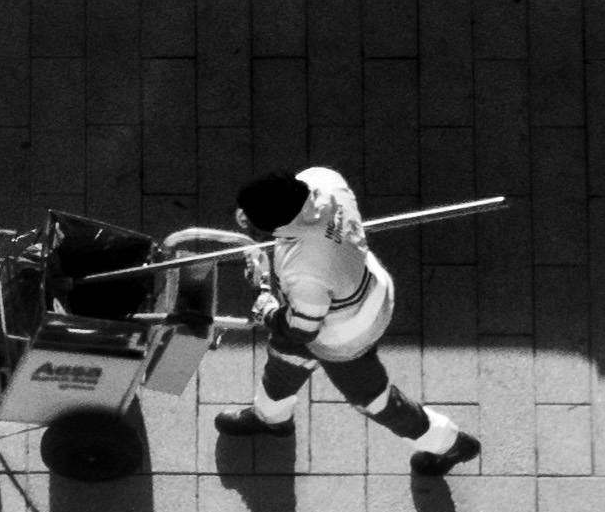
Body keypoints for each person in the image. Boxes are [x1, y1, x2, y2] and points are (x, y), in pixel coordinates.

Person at [170, 168, 478, 476]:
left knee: (372, 400)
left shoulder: (306, 271)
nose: (242, 219)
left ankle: (448, 443)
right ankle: (271, 419)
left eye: (250, 220)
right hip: (364, 289)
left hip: (344, 334)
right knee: (284, 359)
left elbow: (301, 330)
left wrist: (267, 308)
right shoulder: (323, 180)